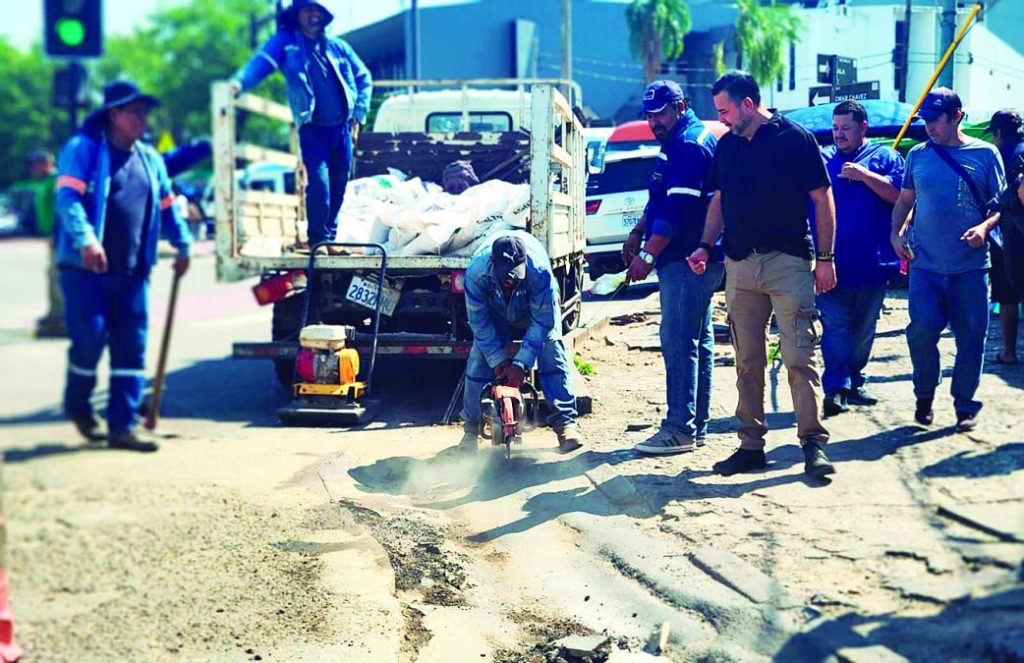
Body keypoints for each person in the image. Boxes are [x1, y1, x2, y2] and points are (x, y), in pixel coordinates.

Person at [688, 70, 837, 479]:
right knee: (746, 360)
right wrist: (704, 244)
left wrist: (825, 258)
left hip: (788, 262)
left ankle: (812, 444)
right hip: (740, 265)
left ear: (748, 105)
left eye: (725, 111)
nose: (722, 120)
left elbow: (822, 199)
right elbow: (719, 199)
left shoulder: (795, 139)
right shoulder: (728, 147)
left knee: (798, 358)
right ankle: (750, 446)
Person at [55, 81, 192, 452]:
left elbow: (167, 207)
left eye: (144, 112)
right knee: (89, 340)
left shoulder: (150, 159)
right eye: (133, 111)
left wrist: (182, 244)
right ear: (114, 114)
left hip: (133, 272)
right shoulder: (84, 149)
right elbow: (67, 198)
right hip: (86, 271)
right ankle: (79, 405)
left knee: (131, 347)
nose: (141, 119)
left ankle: (123, 425)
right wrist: (86, 240)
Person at [890, 88, 1005, 432]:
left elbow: (1000, 207)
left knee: (971, 338)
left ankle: (965, 404)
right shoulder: (919, 156)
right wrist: (895, 234)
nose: (929, 127)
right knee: (921, 332)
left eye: (935, 119)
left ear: (956, 116)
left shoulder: (985, 155)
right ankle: (924, 394)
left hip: (970, 268)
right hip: (925, 266)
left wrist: (984, 228)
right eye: (924, 119)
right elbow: (904, 201)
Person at [620, 80, 721, 455]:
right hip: (688, 258)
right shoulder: (676, 141)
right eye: (649, 115)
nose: (653, 122)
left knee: (679, 341)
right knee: (697, 340)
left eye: (660, 113)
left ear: (679, 107)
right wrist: (638, 230)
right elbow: (661, 198)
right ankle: (696, 425)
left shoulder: (690, 144)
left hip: (686, 257)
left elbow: (679, 208)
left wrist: (648, 255)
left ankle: (680, 428)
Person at [231, 0, 372, 257]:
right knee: (320, 184)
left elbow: (364, 77)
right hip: (313, 130)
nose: (313, 15)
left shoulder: (338, 48)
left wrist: (359, 113)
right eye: (307, 10)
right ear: (297, 15)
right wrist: (238, 84)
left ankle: (330, 237)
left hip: (341, 130)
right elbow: (260, 63)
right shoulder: (286, 43)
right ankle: (317, 240)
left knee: (340, 184)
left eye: (317, 10)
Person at [817, 100, 905, 416]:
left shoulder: (885, 157)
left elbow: (900, 197)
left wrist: (865, 175)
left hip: (873, 263)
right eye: (835, 128)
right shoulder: (823, 159)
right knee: (836, 328)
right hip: (831, 264)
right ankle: (835, 387)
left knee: (864, 329)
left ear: (863, 128)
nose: (839, 135)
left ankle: (855, 380)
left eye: (846, 129)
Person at [458, 231, 582, 454]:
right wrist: (497, 360)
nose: (510, 280)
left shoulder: (540, 273)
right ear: (492, 263)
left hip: (532, 312)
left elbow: (543, 322)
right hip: (496, 313)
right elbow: (479, 322)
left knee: (551, 347)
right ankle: (471, 430)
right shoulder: (476, 273)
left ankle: (566, 424)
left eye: (515, 274)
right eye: (505, 275)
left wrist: (521, 363)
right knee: (478, 357)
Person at [12, 150, 65, 337]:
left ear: (46, 163)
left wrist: (57, 234)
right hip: (52, 234)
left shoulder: (56, 181)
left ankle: (61, 316)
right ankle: (54, 312)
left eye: (35, 164)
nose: (32, 169)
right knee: (51, 274)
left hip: (60, 236)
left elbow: (63, 208)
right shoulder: (43, 182)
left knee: (57, 275)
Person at [989, 109, 1024, 364]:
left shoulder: (997, 156)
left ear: (999, 132)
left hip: (1007, 235)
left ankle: (1009, 352)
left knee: (1007, 295)